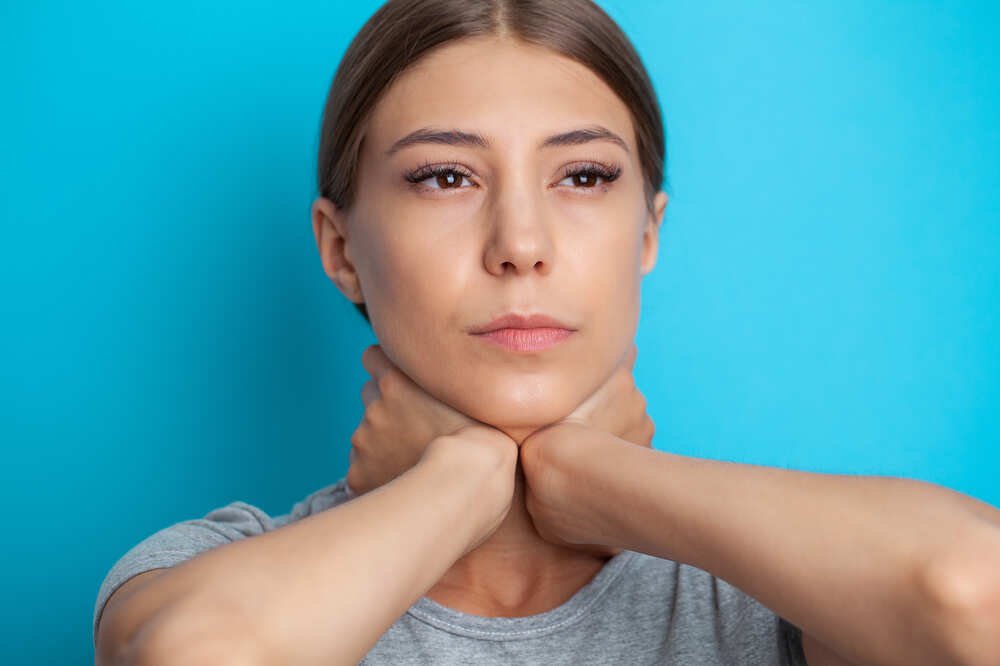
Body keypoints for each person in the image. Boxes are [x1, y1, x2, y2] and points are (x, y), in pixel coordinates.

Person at [93, 1, 1000, 664]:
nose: (521, 245)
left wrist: (597, 479)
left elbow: (975, 594)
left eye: (584, 176)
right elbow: (193, 654)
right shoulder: (211, 568)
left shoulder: (785, 599)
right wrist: (460, 482)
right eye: (446, 177)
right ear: (340, 251)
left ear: (647, 234)